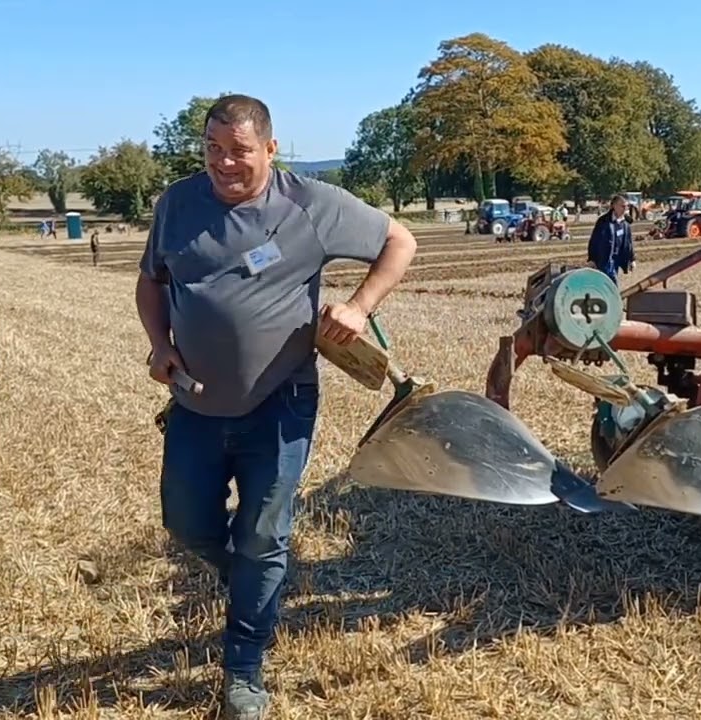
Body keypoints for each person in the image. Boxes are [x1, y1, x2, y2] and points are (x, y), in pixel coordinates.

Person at [135, 93, 417, 719]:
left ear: (270, 147)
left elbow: (400, 241)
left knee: (264, 535)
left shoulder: (310, 204)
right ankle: (250, 579)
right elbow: (152, 281)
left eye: (239, 151)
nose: (224, 163)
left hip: (281, 402)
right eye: (212, 149)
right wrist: (159, 345)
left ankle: (243, 671)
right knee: (185, 523)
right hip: (195, 403)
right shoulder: (177, 204)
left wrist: (358, 306)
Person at [587, 193, 636, 282]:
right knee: (611, 283)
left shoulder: (625, 224)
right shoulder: (603, 221)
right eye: (622, 206)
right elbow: (594, 241)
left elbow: (629, 243)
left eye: (626, 206)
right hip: (604, 259)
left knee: (611, 282)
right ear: (614, 206)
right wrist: (592, 259)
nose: (625, 209)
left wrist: (632, 259)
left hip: (617, 259)